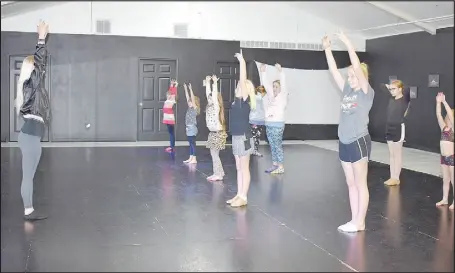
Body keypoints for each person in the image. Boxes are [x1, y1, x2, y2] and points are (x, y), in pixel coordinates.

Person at [322, 31, 375, 233]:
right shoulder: (347, 90)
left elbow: (357, 68)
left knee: (361, 183)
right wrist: (327, 49)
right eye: (350, 76)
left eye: (354, 75)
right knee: (350, 183)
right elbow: (334, 71)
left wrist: (347, 43)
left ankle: (360, 221)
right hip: (343, 142)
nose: (350, 78)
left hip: (358, 141)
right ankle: (354, 220)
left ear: (362, 77)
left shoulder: (365, 92)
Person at [15, 20, 51, 221]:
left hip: (31, 137)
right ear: (33, 68)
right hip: (29, 137)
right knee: (27, 176)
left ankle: (29, 209)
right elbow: (40, 61)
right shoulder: (31, 84)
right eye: (37, 67)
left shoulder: (31, 87)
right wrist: (41, 38)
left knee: (30, 176)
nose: (41, 70)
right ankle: (28, 211)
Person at [226, 51, 256, 207]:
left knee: (244, 168)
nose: (239, 85)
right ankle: (238, 194)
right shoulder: (235, 102)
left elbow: (243, 78)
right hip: (236, 137)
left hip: (244, 137)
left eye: (242, 85)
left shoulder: (244, 101)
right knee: (238, 168)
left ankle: (244, 197)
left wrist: (242, 61)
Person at [260, 63, 288, 174]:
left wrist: (280, 71)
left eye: (276, 86)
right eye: (274, 86)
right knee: (272, 145)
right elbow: (265, 85)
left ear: (281, 88)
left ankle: (281, 166)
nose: (274, 88)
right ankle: (275, 164)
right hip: (269, 124)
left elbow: (284, 84)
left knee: (277, 145)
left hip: (277, 125)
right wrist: (263, 72)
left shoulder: (283, 97)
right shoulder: (271, 97)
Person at [383, 80, 411, 186]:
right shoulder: (391, 99)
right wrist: (389, 86)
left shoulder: (404, 100)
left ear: (400, 89)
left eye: (394, 89)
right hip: (389, 128)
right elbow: (381, 86)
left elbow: (407, 89)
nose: (391, 91)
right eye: (390, 89)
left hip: (398, 128)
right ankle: (392, 177)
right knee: (391, 154)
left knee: (397, 153)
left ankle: (396, 178)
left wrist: (398, 85)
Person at [205, 75, 228, 182]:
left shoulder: (216, 107)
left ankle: (217, 174)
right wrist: (208, 83)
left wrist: (214, 83)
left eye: (211, 98)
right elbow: (208, 94)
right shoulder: (209, 106)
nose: (209, 99)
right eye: (209, 98)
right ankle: (219, 172)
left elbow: (213, 95)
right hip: (212, 134)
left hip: (218, 134)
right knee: (213, 154)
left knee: (215, 155)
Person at [435, 92, 454, 210]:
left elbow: (451, 115)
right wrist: (438, 103)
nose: (446, 116)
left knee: (453, 180)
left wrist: (444, 102)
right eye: (446, 115)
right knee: (445, 179)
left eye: (448, 115)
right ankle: (445, 198)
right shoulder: (444, 128)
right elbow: (438, 114)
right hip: (443, 157)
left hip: (452, 157)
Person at [182, 83, 200, 164]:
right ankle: (191, 157)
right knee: (190, 143)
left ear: (194, 103)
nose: (189, 103)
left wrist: (190, 89)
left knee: (192, 143)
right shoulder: (189, 108)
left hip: (192, 128)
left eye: (191, 102)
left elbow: (192, 98)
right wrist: (185, 89)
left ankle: (194, 158)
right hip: (188, 128)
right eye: (189, 102)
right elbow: (187, 97)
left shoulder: (194, 109)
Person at [249, 85, 267, 157]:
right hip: (254, 120)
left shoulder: (264, 98)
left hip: (261, 120)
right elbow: (253, 107)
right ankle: (252, 150)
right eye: (260, 89)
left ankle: (255, 150)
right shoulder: (254, 97)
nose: (261, 90)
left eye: (262, 89)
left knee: (257, 136)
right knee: (254, 136)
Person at [163, 80, 178, 153]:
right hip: (166, 119)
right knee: (170, 133)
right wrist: (171, 85)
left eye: (169, 95)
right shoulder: (167, 100)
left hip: (170, 119)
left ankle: (172, 147)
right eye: (167, 95)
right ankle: (171, 146)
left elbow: (173, 94)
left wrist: (175, 86)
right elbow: (170, 91)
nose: (169, 96)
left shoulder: (172, 100)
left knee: (171, 133)